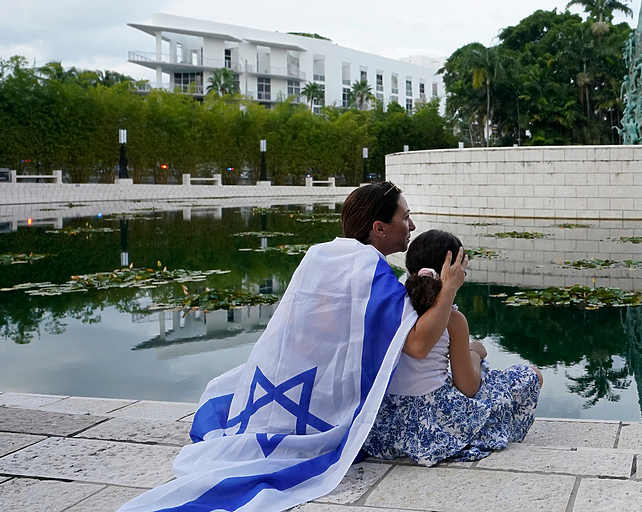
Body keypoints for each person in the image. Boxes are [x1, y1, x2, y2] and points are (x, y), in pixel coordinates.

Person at [119, 181, 466, 512]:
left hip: (292, 379)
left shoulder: (321, 254)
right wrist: (448, 289)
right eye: (405, 217)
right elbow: (418, 346)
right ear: (379, 227)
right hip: (322, 398)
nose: (411, 225)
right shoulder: (369, 269)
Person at [363, 229, 543, 466]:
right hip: (432, 424)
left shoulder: (393, 303)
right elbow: (468, 387)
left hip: (386, 423)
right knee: (530, 375)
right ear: (455, 270)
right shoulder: (453, 318)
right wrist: (474, 354)